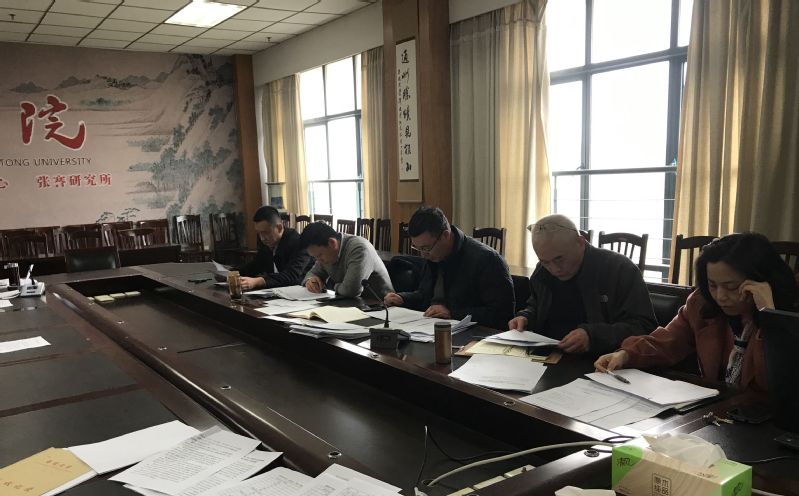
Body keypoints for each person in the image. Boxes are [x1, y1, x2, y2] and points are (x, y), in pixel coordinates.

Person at [595, 233, 799, 392]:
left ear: (762, 281)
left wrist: (769, 316)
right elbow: (668, 339)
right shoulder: (702, 303)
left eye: (731, 287)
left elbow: (779, 382)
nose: (720, 296)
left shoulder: (788, 311)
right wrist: (625, 354)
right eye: (712, 285)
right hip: (721, 408)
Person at [508, 214, 657, 354]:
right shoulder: (542, 272)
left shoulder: (619, 269)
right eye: (545, 261)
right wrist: (526, 318)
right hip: (546, 356)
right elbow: (536, 305)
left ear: (580, 242)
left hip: (600, 361)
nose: (554, 269)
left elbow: (644, 327)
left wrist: (592, 336)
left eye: (559, 259)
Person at [383, 207, 514, 330]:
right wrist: (403, 298)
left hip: (473, 336)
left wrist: (453, 314)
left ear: (445, 235)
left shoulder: (486, 259)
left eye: (425, 248)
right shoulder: (434, 255)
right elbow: (425, 295)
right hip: (430, 328)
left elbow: (502, 314)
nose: (423, 255)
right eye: (418, 248)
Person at [300, 221, 393, 298]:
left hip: (381, 305)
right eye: (315, 257)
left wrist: (332, 286)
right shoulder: (327, 253)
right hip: (352, 303)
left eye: (319, 255)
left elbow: (351, 290)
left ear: (332, 243)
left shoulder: (359, 249)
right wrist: (310, 281)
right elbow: (312, 273)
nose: (318, 260)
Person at [235, 206, 313, 291]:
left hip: (302, 291)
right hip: (278, 291)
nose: (262, 238)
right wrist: (232, 274)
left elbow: (291, 275)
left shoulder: (298, 242)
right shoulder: (267, 242)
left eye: (265, 233)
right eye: (259, 233)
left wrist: (258, 281)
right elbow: (255, 266)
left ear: (279, 228)